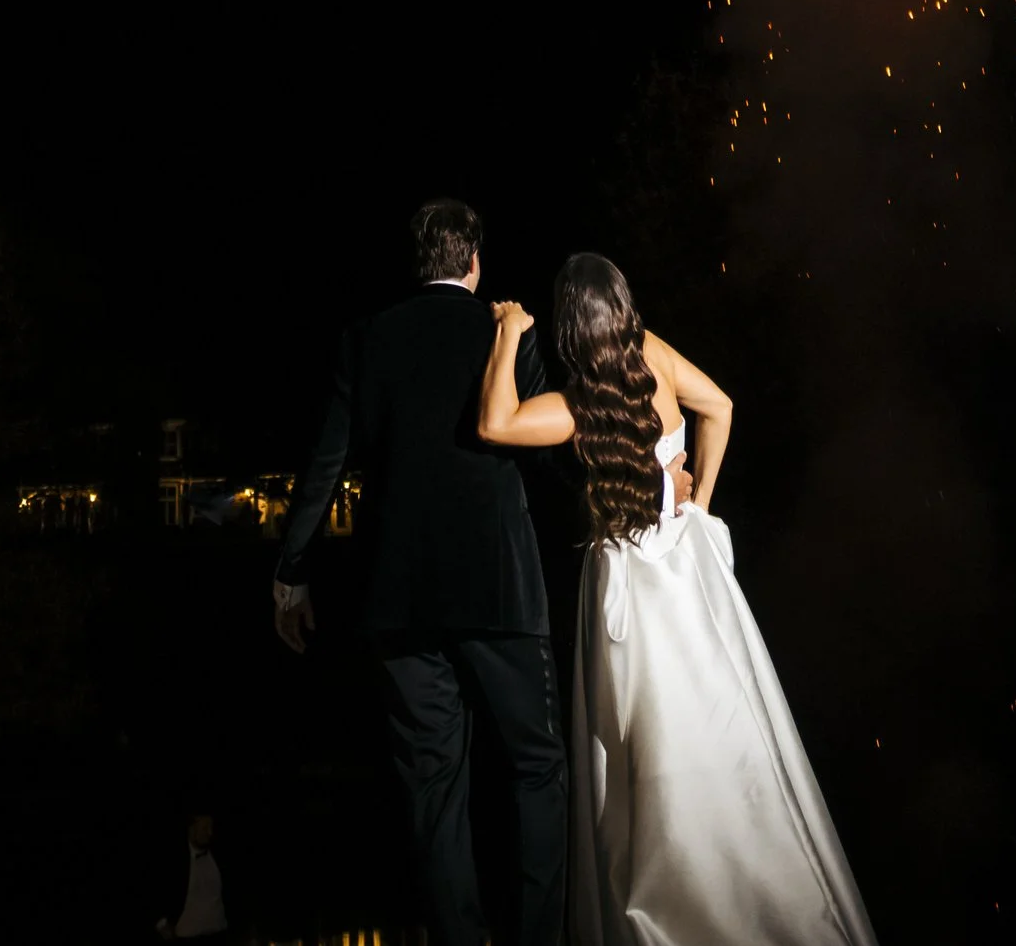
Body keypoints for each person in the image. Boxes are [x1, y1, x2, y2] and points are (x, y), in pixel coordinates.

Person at [477, 253, 879, 946]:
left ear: (571, 327)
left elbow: (496, 423)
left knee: (640, 741)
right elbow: (719, 407)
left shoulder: (578, 404)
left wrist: (510, 332)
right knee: (722, 717)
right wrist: (698, 508)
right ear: (622, 307)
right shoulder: (652, 355)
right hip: (687, 570)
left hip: (627, 581)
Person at [273, 195, 567, 946]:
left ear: (420, 263)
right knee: (536, 768)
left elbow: (325, 464)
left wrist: (291, 571)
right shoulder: (507, 330)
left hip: (398, 596)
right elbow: (550, 449)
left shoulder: (366, 337)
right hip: (500, 588)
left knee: (434, 787)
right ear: (474, 260)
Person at [155, 807, 227, 939]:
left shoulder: (218, 856)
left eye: (211, 827)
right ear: (192, 828)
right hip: (186, 937)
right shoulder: (175, 861)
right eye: (205, 828)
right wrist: (161, 923)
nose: (210, 833)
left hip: (220, 935)